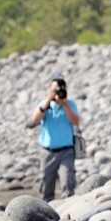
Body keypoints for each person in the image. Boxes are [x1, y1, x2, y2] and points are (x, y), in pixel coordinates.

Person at [31, 74, 80, 202]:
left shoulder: (70, 104)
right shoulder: (44, 105)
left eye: (61, 90)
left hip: (66, 151)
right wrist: (48, 99)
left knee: (67, 180)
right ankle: (47, 208)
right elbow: (35, 119)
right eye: (55, 90)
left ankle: (68, 208)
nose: (58, 93)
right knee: (46, 184)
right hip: (48, 152)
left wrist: (65, 105)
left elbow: (75, 121)